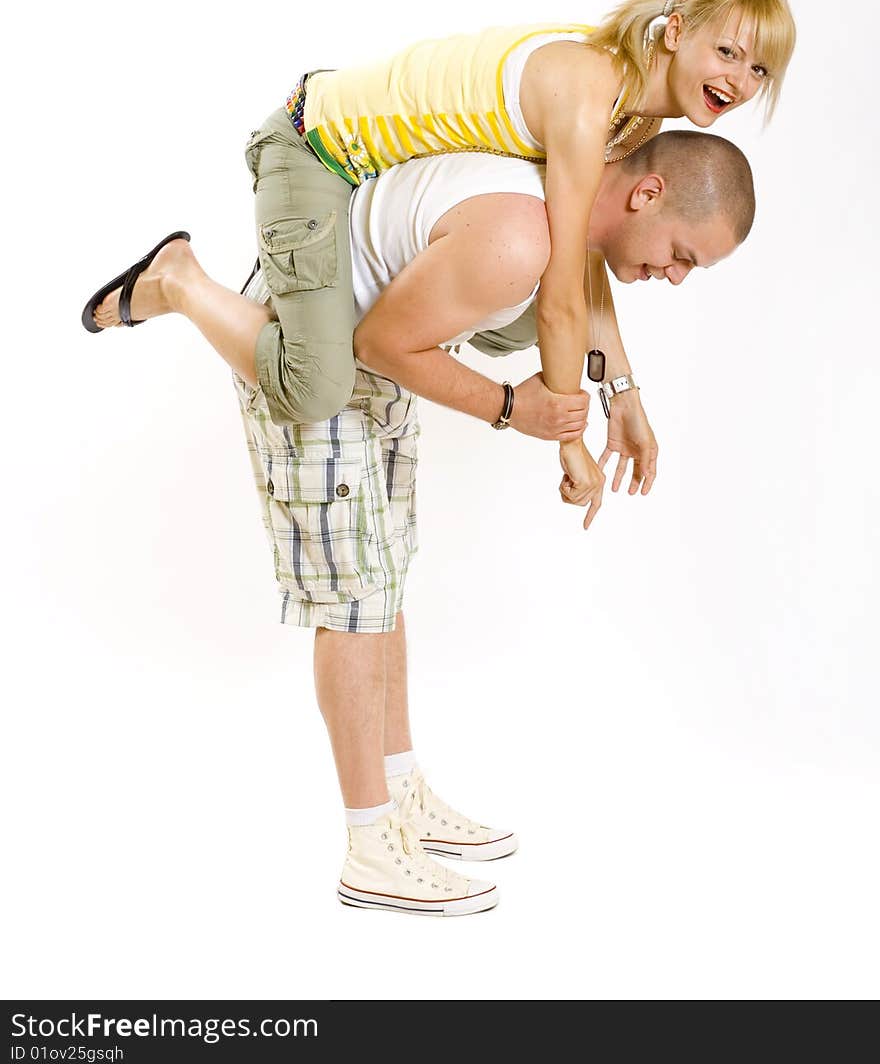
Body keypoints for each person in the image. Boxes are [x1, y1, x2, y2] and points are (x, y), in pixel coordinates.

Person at [232, 129, 754, 914]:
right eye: (682, 254)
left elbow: (586, 297)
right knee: (350, 602)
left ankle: (400, 792)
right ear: (646, 196)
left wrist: (624, 401)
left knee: (385, 581)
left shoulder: (577, 203)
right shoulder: (519, 237)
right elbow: (380, 340)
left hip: (373, 355)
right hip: (313, 345)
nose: (675, 277)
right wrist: (515, 409)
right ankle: (369, 845)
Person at [82, 0, 795, 525]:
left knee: (543, 261)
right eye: (726, 51)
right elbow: (561, 304)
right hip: (314, 149)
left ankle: (400, 323)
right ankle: (179, 279)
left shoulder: (633, 115)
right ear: (675, 31)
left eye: (759, 69)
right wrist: (562, 437)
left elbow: (581, 250)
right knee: (315, 387)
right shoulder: (590, 98)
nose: (738, 80)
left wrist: (622, 393)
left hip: (377, 176)